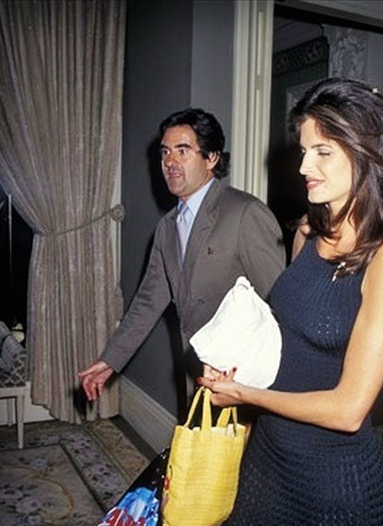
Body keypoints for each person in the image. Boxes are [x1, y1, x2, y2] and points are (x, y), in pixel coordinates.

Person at [197, 78, 383, 526]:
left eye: (322, 151)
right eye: (303, 150)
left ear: (368, 154)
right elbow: (285, 343)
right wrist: (236, 369)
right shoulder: (306, 232)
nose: (303, 167)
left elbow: (349, 409)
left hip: (332, 470)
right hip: (271, 454)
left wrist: (244, 396)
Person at [78, 108, 286, 404]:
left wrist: (279, 390)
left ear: (211, 158)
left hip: (245, 379)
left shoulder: (245, 213)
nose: (170, 162)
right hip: (196, 373)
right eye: (165, 152)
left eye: (182, 150)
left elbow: (282, 304)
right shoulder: (167, 228)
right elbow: (147, 303)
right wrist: (110, 360)